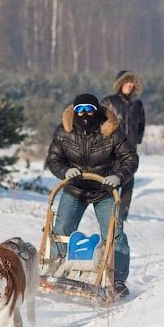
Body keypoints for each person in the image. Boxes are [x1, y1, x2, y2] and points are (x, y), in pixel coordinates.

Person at [45, 93, 138, 297]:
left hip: (104, 190)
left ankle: (118, 279)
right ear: (74, 112)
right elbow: (53, 159)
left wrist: (118, 177)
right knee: (61, 229)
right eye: (80, 110)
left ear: (96, 111)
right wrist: (65, 172)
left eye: (89, 109)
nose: (84, 114)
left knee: (115, 235)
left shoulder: (111, 132)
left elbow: (130, 158)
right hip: (75, 190)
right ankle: (57, 270)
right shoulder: (65, 132)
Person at [101, 70, 145, 222]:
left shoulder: (137, 104)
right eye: (127, 81)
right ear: (120, 83)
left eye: (132, 82)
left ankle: (122, 217)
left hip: (131, 151)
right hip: (112, 151)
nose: (130, 85)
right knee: (112, 183)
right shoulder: (109, 102)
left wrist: (137, 139)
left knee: (128, 184)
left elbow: (141, 124)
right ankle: (109, 216)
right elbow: (101, 123)